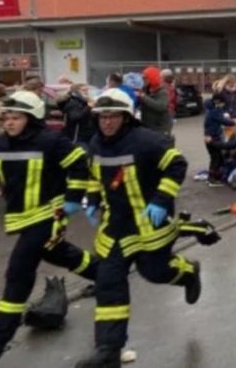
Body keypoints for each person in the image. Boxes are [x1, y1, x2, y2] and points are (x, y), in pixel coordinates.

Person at [76, 88, 200, 367]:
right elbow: (95, 177)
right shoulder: (96, 144)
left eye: (113, 117)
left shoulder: (148, 141)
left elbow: (176, 165)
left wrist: (161, 199)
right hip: (115, 228)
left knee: (155, 272)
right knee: (108, 284)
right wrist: (93, 200)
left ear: (126, 118)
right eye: (102, 117)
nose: (107, 122)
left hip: (149, 226)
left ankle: (189, 273)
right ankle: (108, 350)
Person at [0, 91, 98, 362]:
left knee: (18, 272)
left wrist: (74, 198)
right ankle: (106, 275)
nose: (8, 122)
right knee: (59, 254)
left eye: (15, 118)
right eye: (6, 117)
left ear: (30, 118)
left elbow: (79, 162)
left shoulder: (50, 142)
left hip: (48, 215)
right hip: (21, 218)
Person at [203, 94, 236, 187]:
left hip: (211, 136)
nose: (224, 105)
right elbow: (223, 121)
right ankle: (212, 179)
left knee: (216, 158)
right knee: (216, 158)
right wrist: (234, 122)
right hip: (213, 137)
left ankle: (213, 176)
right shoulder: (215, 111)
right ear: (219, 102)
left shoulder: (211, 109)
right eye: (223, 103)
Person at [139, 66, 173, 136]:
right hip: (149, 127)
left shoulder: (162, 92)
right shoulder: (146, 90)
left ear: (152, 78)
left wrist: (143, 97)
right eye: (143, 78)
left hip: (161, 129)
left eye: (145, 78)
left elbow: (161, 107)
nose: (143, 80)